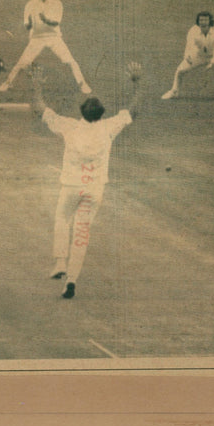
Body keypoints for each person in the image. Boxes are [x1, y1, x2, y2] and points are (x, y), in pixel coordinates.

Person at [29, 61, 143, 299]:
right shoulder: (109, 128)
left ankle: (60, 261)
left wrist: (37, 86)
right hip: (94, 189)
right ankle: (71, 279)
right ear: (101, 114)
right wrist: (137, 83)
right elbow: (133, 110)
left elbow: (40, 108)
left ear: (82, 112)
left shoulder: (70, 126)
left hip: (71, 186)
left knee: (62, 218)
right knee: (82, 232)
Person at [0, 0, 92, 94]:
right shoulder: (30, 4)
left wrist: (45, 20)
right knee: (22, 63)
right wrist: (30, 24)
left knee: (69, 61)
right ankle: (7, 83)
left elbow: (56, 22)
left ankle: (82, 84)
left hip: (54, 37)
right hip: (37, 38)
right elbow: (27, 26)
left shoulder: (57, 3)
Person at [161, 11, 214, 101]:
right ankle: (174, 91)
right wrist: (187, 56)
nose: (203, 22)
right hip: (198, 56)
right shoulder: (193, 30)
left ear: (210, 21)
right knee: (180, 70)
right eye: (201, 20)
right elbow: (189, 46)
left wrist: (213, 62)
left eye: (205, 20)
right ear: (198, 21)